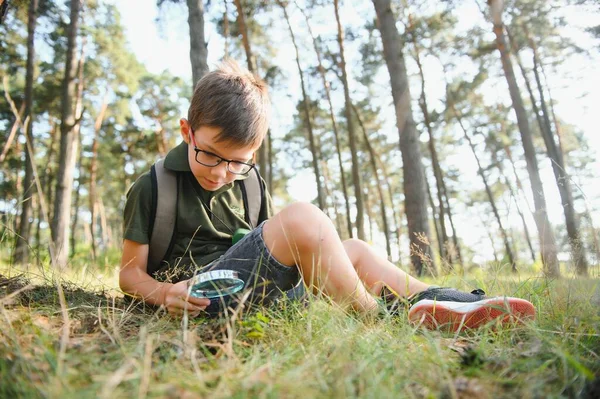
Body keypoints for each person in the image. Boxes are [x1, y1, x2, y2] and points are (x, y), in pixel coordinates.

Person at [119, 60, 535, 331]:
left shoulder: (247, 183)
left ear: (253, 155)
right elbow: (128, 275)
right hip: (201, 298)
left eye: (237, 162)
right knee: (302, 218)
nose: (222, 172)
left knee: (353, 248)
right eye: (209, 154)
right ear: (186, 132)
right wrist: (165, 293)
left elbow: (265, 250)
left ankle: (453, 304)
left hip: (260, 296)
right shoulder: (155, 186)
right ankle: (386, 324)